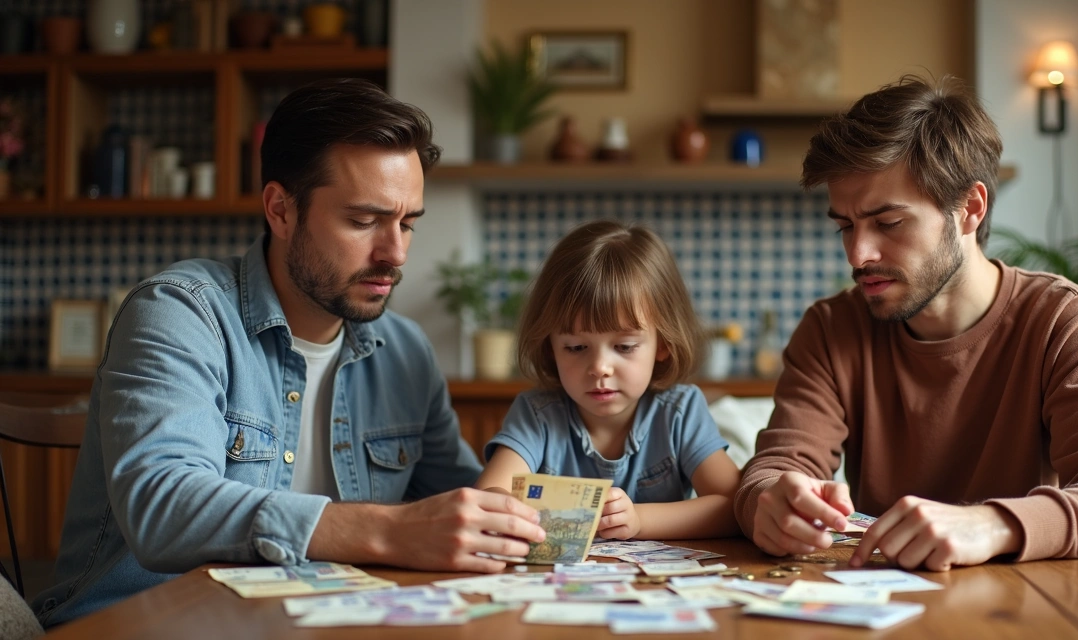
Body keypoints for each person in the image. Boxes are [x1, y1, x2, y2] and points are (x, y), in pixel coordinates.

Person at [34, 79, 545, 626]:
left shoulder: (404, 350)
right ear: (280, 210)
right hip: (145, 625)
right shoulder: (180, 313)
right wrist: (388, 530)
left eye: (407, 223)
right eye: (363, 220)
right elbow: (164, 507)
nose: (394, 253)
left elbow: (459, 507)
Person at [736, 75, 1078, 571]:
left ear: (969, 208)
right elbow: (774, 471)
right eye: (845, 226)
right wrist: (771, 502)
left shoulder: (1065, 321)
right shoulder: (831, 328)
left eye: (888, 223)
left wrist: (992, 525)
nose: (858, 255)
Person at [475, 220, 741, 540]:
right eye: (576, 347)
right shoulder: (537, 414)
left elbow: (735, 507)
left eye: (624, 347)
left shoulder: (680, 412)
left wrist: (640, 520)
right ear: (550, 348)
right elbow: (489, 500)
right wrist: (501, 507)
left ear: (664, 345)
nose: (600, 367)